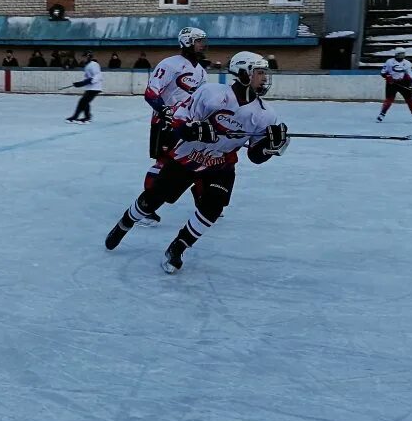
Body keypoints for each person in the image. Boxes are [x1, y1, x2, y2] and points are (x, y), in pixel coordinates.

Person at [103, 51, 289, 274]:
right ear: (243, 73)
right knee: (152, 200)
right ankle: (125, 223)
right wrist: (192, 130)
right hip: (187, 157)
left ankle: (178, 247)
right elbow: (179, 121)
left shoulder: (266, 115)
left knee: (213, 206)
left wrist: (270, 147)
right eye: (260, 72)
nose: (265, 78)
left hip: (221, 165)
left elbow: (255, 156)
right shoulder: (211, 93)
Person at [139, 27, 209, 226]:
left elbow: (202, 101)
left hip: (188, 126)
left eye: (203, 41)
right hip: (165, 124)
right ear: (187, 42)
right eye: (198, 41)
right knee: (164, 164)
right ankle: (146, 207)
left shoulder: (201, 72)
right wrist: (164, 111)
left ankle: (204, 203)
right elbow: (151, 93)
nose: (202, 45)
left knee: (197, 161)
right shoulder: (169, 65)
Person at [377, 47, 412, 123]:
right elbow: (383, 72)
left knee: (409, 99)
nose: (403, 55)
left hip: (403, 82)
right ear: (396, 54)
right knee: (389, 100)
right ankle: (382, 114)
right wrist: (388, 76)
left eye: (404, 54)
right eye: (401, 54)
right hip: (391, 83)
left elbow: (409, 75)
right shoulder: (389, 62)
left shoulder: (407, 63)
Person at [66, 50, 102, 123]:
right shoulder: (87, 66)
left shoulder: (94, 64)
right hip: (90, 88)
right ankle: (86, 117)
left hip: (95, 88)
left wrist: (88, 81)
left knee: (83, 102)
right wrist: (80, 83)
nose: (83, 58)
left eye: (85, 57)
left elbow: (98, 75)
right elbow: (87, 77)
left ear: (89, 57)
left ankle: (80, 117)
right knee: (84, 102)